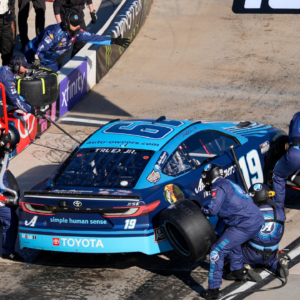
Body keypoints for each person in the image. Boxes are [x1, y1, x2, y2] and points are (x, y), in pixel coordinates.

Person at [200, 164, 264, 299]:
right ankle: (237, 271)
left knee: (216, 251)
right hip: (254, 220)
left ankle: (213, 290)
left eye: (204, 177)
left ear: (210, 176)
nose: (203, 180)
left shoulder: (218, 186)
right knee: (231, 240)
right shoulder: (228, 182)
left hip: (244, 225)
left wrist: (201, 209)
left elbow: (212, 210)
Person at [24, 10, 130, 72]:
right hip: (33, 53)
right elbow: (42, 47)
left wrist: (113, 40)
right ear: (66, 24)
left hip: (49, 59)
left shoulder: (78, 32)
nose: (78, 26)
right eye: (74, 25)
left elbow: (93, 38)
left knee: (53, 80)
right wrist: (36, 58)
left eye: (78, 23)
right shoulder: (54, 32)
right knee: (32, 79)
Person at [225, 183, 289, 282]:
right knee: (271, 259)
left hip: (252, 254)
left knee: (230, 252)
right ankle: (277, 265)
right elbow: (281, 232)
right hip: (271, 253)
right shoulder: (279, 211)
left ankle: (244, 269)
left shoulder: (250, 213)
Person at [0, 124, 24, 262]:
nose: (11, 150)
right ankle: (7, 251)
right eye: (9, 148)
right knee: (11, 220)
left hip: (2, 190)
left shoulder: (4, 154)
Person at [273, 112, 300, 208]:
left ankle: (278, 209)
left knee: (278, 176)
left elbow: (292, 134)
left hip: (295, 155)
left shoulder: (297, 116)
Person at [0, 0, 16, 65]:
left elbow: (12, 4)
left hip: (6, 20)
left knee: (7, 51)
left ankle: (6, 72)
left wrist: (12, 21)